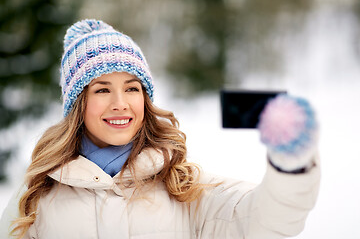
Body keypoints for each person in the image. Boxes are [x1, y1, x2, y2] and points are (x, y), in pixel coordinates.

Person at [0, 19, 320, 239]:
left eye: (132, 88)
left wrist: (291, 161)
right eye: (101, 90)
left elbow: (267, 220)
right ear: (76, 105)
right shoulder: (36, 197)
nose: (120, 103)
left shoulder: (181, 185)